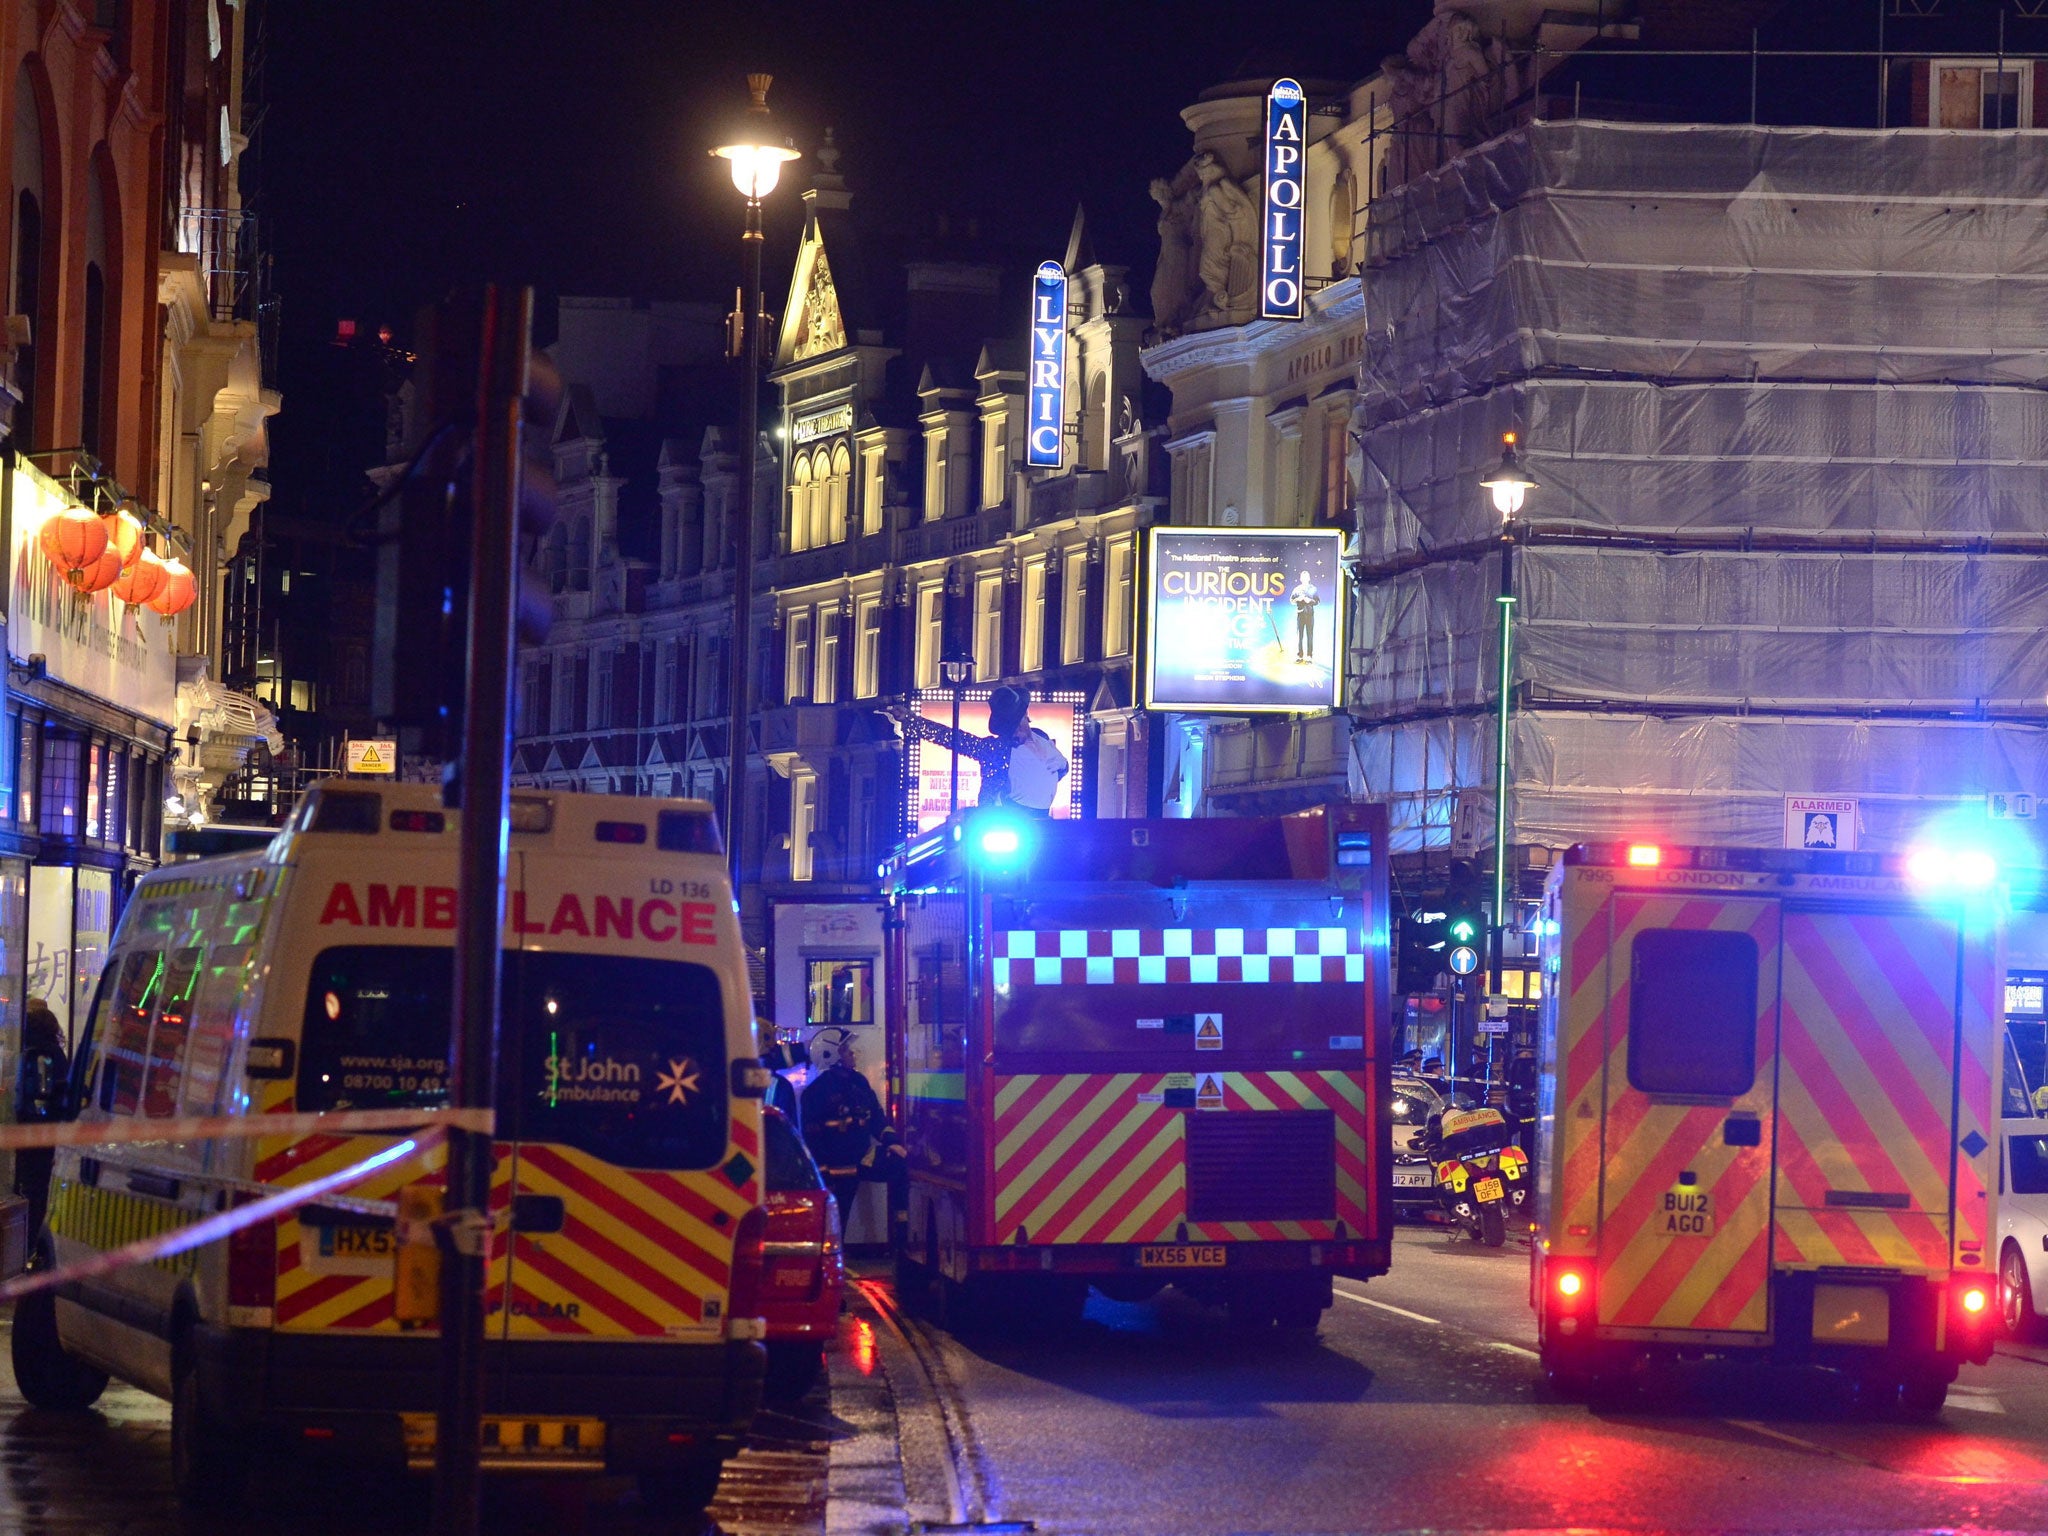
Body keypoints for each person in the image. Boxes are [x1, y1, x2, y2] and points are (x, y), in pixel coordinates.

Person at [889, 684, 1069, 816]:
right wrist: (911, 720)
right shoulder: (994, 748)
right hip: (1005, 819)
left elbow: (1054, 771)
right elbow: (953, 738)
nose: (1015, 733)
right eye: (1009, 728)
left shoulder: (1042, 738)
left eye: (1017, 725)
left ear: (1025, 717)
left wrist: (1064, 764)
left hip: (1042, 822)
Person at [799, 1028, 902, 1228]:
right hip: (836, 1167)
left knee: (899, 1166)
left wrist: (892, 1142)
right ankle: (837, 1255)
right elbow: (812, 1139)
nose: (853, 1054)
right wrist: (824, 1175)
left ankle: (901, 1242)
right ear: (831, 1056)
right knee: (836, 1217)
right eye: (847, 1051)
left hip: (863, 1157)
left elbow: (875, 1116)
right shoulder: (815, 1093)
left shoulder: (858, 1082)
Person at [14, 998, 67, 1233]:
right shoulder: (56, 1054)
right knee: (39, 1188)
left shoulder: (34, 1054)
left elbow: (33, 1096)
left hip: (31, 1132)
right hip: (49, 1132)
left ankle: (29, 1237)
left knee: (29, 1186)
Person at [1291, 570, 1319, 661]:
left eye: (1306, 577)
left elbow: (1317, 601)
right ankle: (1300, 655)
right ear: (1300, 578)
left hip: (1310, 614)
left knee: (1309, 635)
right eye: (1303, 577)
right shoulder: (1297, 589)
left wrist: (1309, 600)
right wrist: (1298, 599)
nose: (1304, 578)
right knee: (1300, 635)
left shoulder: (1313, 588)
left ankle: (1309, 656)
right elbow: (1291, 600)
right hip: (1300, 614)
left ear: (1309, 578)